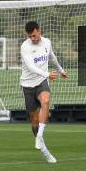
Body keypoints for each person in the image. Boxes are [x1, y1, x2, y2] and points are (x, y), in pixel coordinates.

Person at [20, 21, 67, 163]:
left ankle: (40, 136)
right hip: (27, 84)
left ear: (39, 31)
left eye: (34, 35)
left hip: (41, 82)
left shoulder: (47, 42)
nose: (33, 38)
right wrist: (47, 74)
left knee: (46, 101)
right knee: (34, 119)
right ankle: (44, 148)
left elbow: (52, 57)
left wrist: (61, 70)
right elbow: (31, 66)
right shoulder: (25, 46)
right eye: (30, 36)